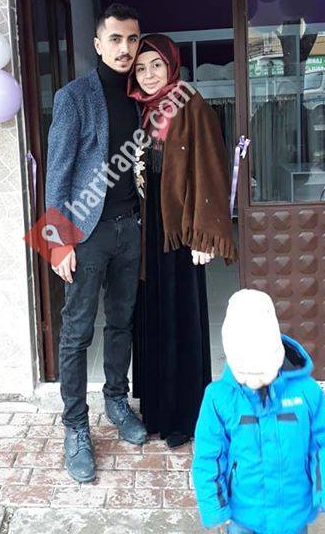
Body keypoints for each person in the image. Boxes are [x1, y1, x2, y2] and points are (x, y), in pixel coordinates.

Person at [45, 3, 147, 484]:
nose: (125, 48)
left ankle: (116, 402)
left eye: (132, 39)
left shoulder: (140, 95)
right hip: (86, 235)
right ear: (98, 43)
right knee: (77, 332)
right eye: (116, 39)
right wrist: (56, 243)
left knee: (122, 322)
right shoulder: (74, 97)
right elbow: (57, 174)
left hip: (130, 228)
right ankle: (75, 427)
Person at [127, 34, 236, 448]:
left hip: (182, 230)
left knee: (182, 318)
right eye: (141, 68)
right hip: (149, 232)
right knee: (153, 317)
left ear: (172, 66)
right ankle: (156, 413)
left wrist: (204, 233)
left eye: (156, 65)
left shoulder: (192, 106)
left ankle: (186, 418)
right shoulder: (141, 111)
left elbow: (211, 167)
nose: (149, 75)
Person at [193, 289, 325, 534]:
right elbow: (209, 456)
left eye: (261, 371)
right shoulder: (218, 397)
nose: (254, 381)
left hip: (293, 513)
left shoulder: (307, 392)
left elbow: (324, 443)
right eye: (246, 373)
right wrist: (214, 508)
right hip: (243, 514)